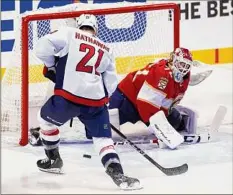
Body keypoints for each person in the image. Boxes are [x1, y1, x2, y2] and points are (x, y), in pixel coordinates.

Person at [34, 14, 141, 190]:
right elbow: (111, 83)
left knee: (44, 119)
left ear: (79, 25)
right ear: (95, 29)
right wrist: (103, 103)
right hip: (96, 100)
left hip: (69, 96)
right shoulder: (107, 48)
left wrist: (52, 66)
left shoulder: (69, 33)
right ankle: (119, 175)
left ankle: (53, 159)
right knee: (103, 140)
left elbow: (42, 46)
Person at [108, 47, 197, 149]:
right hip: (126, 100)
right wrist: (158, 128)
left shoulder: (184, 77)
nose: (183, 69)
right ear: (173, 60)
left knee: (175, 121)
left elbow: (166, 102)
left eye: (187, 66)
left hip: (145, 103)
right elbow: (146, 105)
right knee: (97, 130)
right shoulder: (162, 75)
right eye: (181, 64)